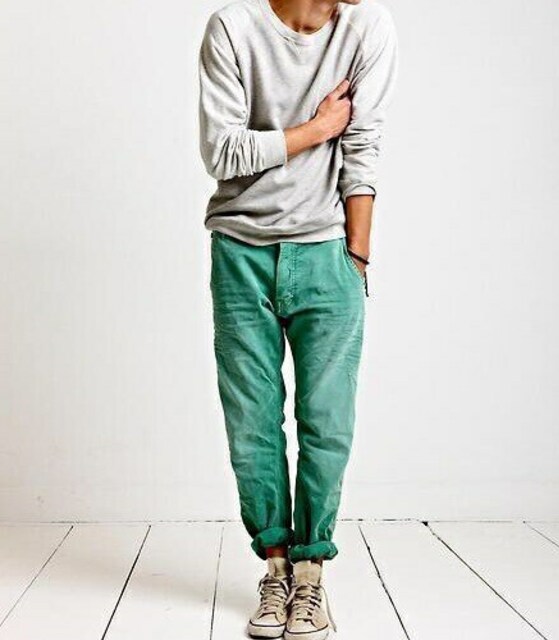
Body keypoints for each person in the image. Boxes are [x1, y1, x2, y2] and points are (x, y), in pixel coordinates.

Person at [198, 0, 397, 637]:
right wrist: (315, 129)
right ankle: (276, 567)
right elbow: (221, 152)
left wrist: (356, 258)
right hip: (242, 253)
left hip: (328, 254)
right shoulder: (233, 29)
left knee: (327, 420)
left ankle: (311, 573)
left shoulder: (368, 29)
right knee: (251, 423)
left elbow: (363, 146)